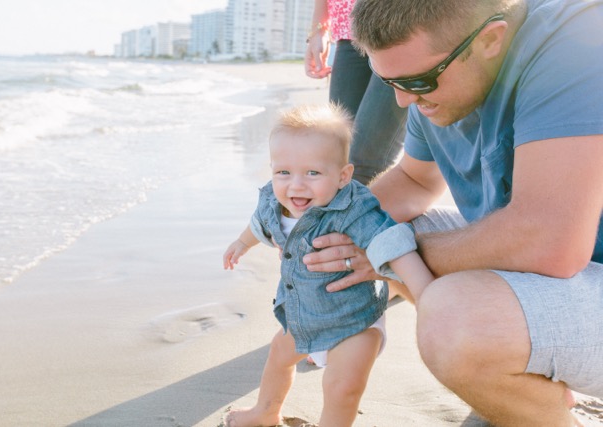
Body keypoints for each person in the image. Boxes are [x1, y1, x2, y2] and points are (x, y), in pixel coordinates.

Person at [301, 0, 603, 426]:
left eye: (418, 81)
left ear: (490, 40)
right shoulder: (431, 86)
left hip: (573, 257)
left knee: (456, 320)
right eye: (390, 82)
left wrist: (385, 251)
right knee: (377, 226)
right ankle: (520, 394)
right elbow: (414, 180)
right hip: (578, 274)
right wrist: (329, 224)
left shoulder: (578, 38)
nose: (404, 100)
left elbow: (552, 241)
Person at [222, 103, 426, 426]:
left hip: (354, 320)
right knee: (278, 358)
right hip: (302, 316)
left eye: (313, 173)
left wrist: (425, 290)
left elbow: (392, 243)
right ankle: (266, 411)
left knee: (341, 388)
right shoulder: (274, 202)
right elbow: (259, 224)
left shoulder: (353, 209)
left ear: (343, 176)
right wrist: (240, 244)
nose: (296, 185)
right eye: (283, 172)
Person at [305, 0, 407, 185]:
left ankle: (354, 213)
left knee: (365, 163)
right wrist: (319, 29)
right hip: (347, 28)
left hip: (401, 22)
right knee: (336, 155)